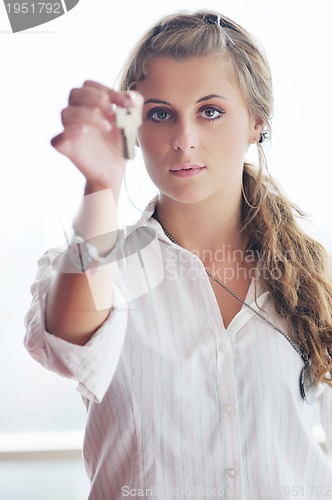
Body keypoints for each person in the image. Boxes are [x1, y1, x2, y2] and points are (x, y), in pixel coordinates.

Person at [24, 9, 332, 499]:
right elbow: (69, 344)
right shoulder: (100, 265)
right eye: (160, 114)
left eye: (210, 111)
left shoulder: (313, 277)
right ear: (133, 128)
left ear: (256, 122)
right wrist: (101, 184)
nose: (184, 139)